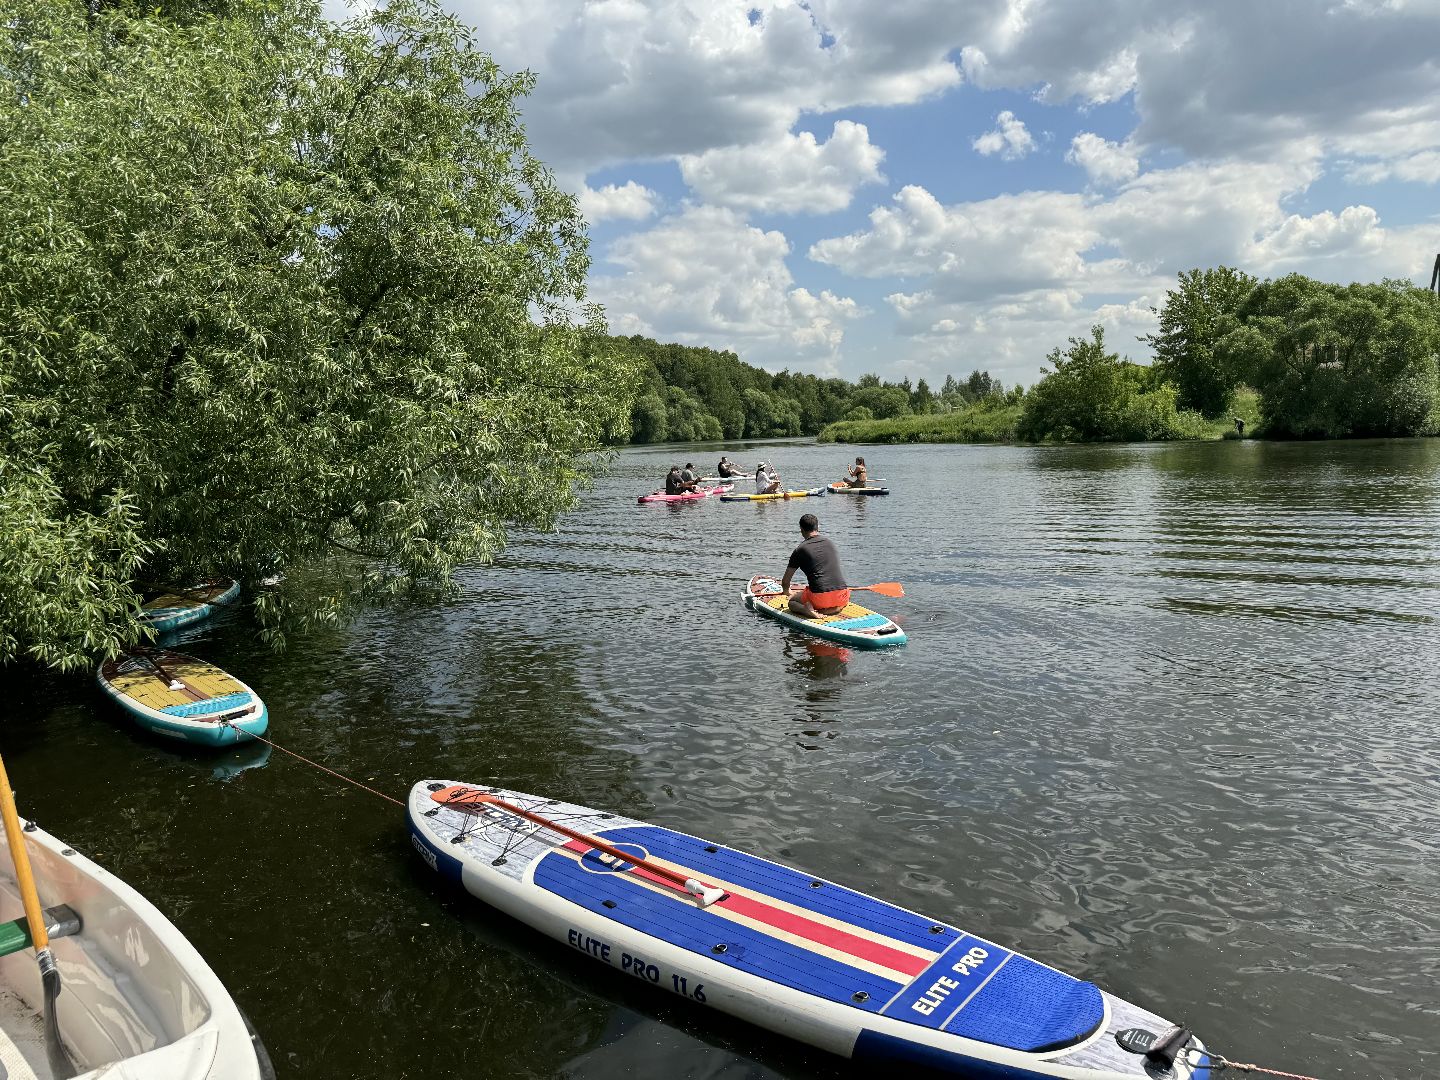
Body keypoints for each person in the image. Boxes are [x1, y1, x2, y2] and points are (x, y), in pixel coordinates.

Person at [781, 514, 850, 620]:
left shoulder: (800, 550)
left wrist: (788, 592)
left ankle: (807, 610)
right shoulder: (830, 543)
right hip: (843, 595)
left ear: (801, 529)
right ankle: (834, 609)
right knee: (833, 599)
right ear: (818, 527)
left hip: (820, 598)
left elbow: (785, 582)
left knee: (792, 603)